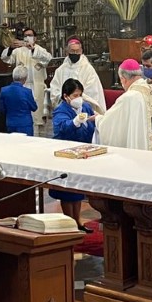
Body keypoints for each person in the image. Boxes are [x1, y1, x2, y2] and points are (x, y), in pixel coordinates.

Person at [95, 60, 152, 153]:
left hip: (139, 157)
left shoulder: (128, 98)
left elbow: (109, 124)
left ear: (123, 79)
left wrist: (98, 119)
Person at [50, 78, 96, 230]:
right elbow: (62, 127)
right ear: (66, 96)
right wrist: (75, 122)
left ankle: (78, 221)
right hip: (66, 155)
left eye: (80, 94)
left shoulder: (86, 107)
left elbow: (91, 122)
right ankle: (70, 223)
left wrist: (94, 120)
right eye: (75, 95)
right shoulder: (61, 110)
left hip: (81, 152)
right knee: (67, 193)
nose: (78, 98)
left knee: (78, 191)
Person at [2, 27, 52, 130]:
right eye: (25, 36)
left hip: (36, 86)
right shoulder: (18, 51)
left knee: (37, 115)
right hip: (22, 87)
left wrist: (33, 49)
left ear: (35, 38)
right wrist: (11, 48)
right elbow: (6, 59)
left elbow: (48, 58)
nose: (27, 38)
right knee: (23, 113)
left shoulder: (40, 50)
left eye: (30, 35)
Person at [49, 38, 105, 114]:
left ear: (81, 51)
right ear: (67, 52)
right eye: (72, 51)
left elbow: (92, 91)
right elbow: (55, 89)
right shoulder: (61, 70)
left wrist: (76, 98)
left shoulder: (88, 69)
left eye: (77, 51)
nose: (75, 53)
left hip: (83, 109)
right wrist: (65, 97)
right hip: (65, 108)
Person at [0, 66, 38, 135]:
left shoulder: (3, 91)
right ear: (24, 78)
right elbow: (34, 108)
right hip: (25, 124)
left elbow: (2, 110)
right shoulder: (27, 92)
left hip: (10, 123)